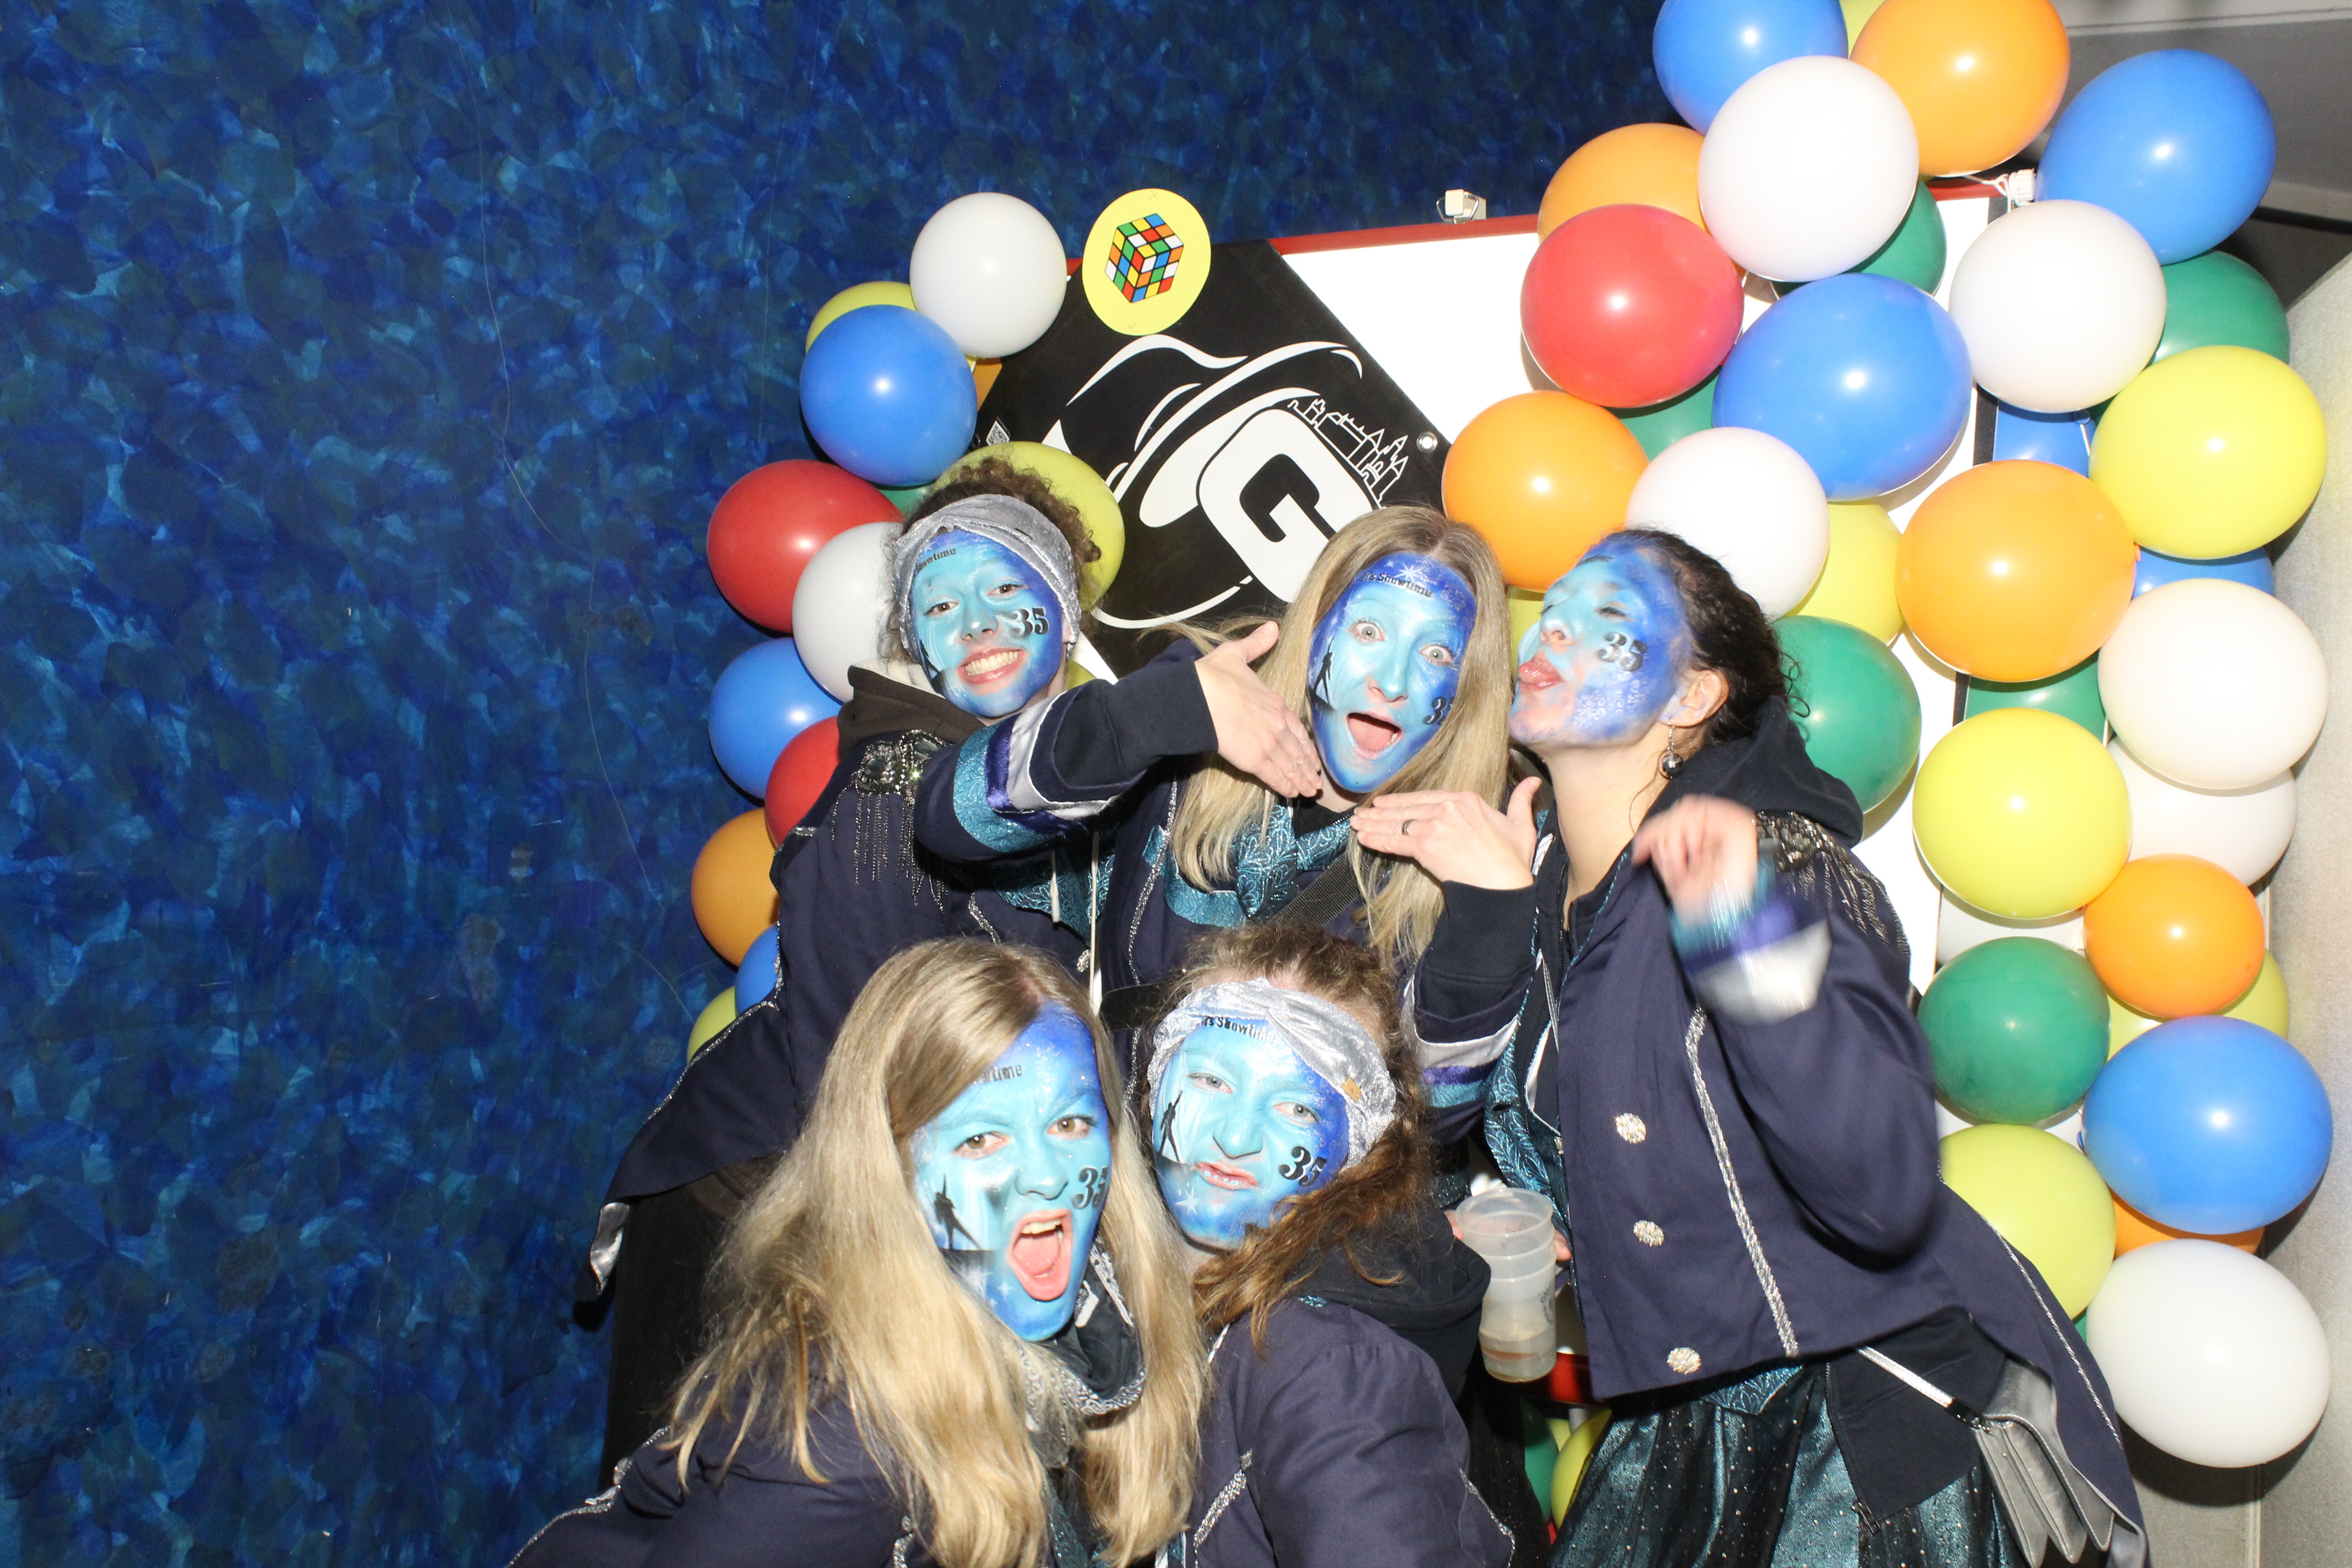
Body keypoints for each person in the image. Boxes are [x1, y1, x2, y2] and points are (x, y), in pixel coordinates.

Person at [1353, 529, 2145, 1568]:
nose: (1555, 636)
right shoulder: (1524, 875)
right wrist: (1493, 919)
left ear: (1691, 698)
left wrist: (1742, 938)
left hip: (1862, 1415)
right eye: (1556, 614)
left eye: (1609, 622)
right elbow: (1437, 1126)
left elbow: (1876, 1179)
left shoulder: (1780, 864)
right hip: (1690, 1408)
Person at [586, 462, 1106, 1478]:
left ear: (1065, 614)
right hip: (755, 1208)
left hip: (893, 1201)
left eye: (1008, 588)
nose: (978, 624)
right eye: (941, 604)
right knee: (678, 1508)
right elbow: (858, 1091)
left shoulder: (1062, 791)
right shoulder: (897, 789)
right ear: (913, 636)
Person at [517, 940, 1205, 1568]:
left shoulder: (1105, 1310)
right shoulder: (845, 1435)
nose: (1047, 1177)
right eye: (980, 1140)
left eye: (1071, 1122)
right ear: (889, 1169)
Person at [909, 506, 1524, 1120]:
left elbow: (1433, 1117)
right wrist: (1154, 715)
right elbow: (950, 819)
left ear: (1467, 688)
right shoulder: (1204, 697)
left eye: (1436, 654)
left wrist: (1489, 915)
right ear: (1316, 625)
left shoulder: (1463, 846)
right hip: (1116, 1158)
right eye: (1368, 632)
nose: (1392, 682)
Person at [1146, 924, 1513, 1568]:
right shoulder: (1116, 1279)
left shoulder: (1330, 1370)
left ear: (1360, 1152)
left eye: (1298, 1110)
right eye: (1210, 1081)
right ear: (1154, 1082)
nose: (1236, 1139)